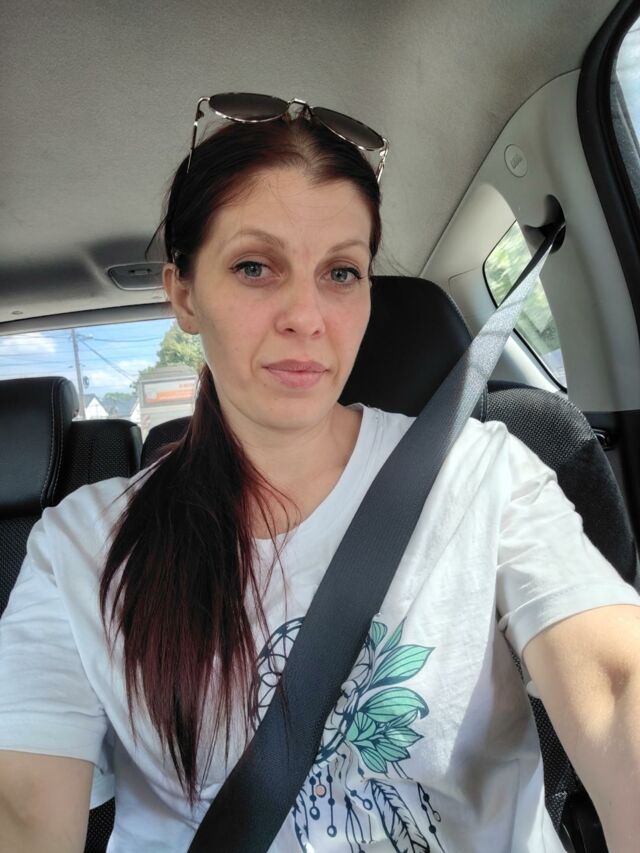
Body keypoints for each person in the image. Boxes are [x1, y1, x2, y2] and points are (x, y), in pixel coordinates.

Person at [0, 96, 639, 853]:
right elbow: (24, 807)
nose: (306, 315)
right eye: (254, 267)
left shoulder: (481, 476)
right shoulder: (82, 546)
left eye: (341, 272)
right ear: (183, 294)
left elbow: (615, 687)